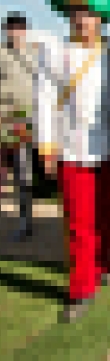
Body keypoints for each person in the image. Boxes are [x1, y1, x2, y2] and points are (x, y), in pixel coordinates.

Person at [36, 0, 110, 322]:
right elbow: (44, 100)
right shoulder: (53, 52)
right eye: (75, 12)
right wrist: (46, 146)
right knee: (78, 223)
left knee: (108, 216)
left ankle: (103, 266)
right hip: (72, 149)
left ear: (101, 16)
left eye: (88, 12)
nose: (82, 19)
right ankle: (81, 289)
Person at [0, 13, 39, 242]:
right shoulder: (1, 53)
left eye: (19, 28)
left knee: (26, 171)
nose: (15, 33)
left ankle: (26, 222)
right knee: (15, 171)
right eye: (11, 28)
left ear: (26, 31)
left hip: (29, 118)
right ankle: (24, 222)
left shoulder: (36, 54)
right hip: (6, 118)